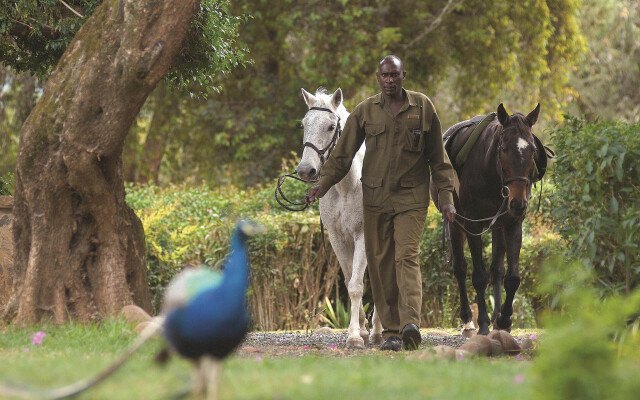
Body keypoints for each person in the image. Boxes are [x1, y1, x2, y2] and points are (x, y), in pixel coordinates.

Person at [305, 55, 456, 351]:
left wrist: (447, 198)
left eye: (394, 75)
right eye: (384, 76)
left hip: (411, 198)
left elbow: (439, 158)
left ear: (403, 76)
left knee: (406, 256)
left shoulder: (423, 107)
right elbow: (342, 155)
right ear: (378, 77)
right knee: (381, 262)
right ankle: (391, 332)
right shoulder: (365, 112)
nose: (389, 80)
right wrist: (321, 186)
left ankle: (409, 324)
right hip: (374, 199)